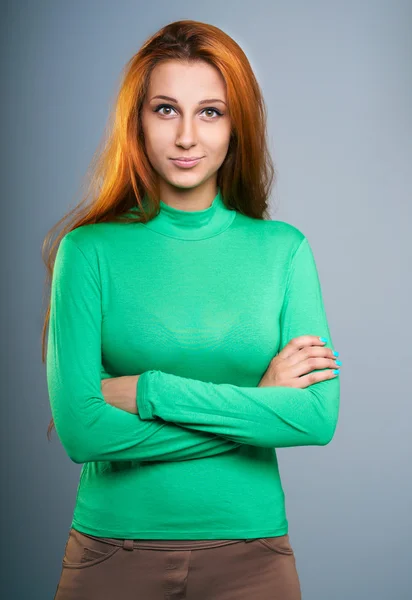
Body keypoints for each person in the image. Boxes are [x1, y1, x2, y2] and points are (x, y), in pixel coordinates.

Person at [43, 19, 341, 600]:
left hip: (252, 555)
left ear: (237, 125)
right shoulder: (88, 251)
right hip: (112, 552)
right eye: (164, 109)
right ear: (138, 121)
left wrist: (151, 392)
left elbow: (315, 419)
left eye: (209, 111)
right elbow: (82, 431)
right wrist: (257, 405)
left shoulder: (284, 251)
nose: (185, 137)